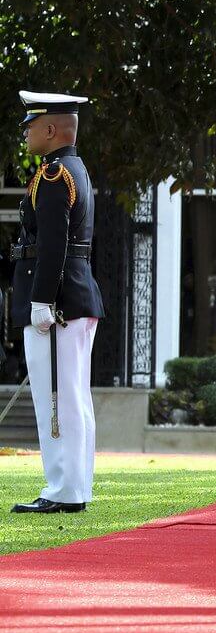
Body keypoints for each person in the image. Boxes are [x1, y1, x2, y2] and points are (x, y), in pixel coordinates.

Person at [10, 91, 104, 515]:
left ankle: (63, 489)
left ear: (50, 129)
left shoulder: (54, 175)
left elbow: (52, 246)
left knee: (59, 397)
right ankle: (75, 486)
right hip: (76, 297)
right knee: (73, 395)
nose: (27, 132)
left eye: (31, 125)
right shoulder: (74, 170)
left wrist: (41, 301)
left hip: (59, 302)